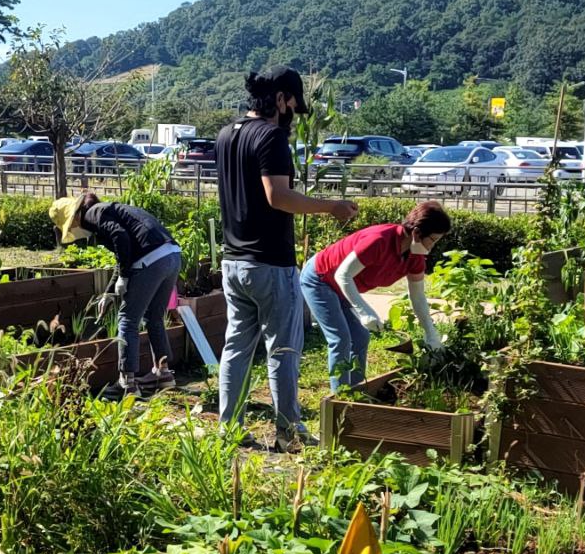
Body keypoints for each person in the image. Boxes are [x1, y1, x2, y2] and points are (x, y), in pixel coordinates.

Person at [215, 65, 358, 450]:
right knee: (283, 349)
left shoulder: (227, 134)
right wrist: (332, 207)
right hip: (270, 263)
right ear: (280, 99)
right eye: (293, 104)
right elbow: (277, 196)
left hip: (233, 261)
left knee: (236, 348)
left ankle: (230, 430)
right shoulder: (271, 137)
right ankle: (287, 432)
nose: (294, 114)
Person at [301, 201, 451, 393]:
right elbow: (342, 275)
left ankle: (356, 393)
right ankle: (339, 400)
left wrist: (431, 334)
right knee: (341, 339)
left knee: (360, 337)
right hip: (321, 278)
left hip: (344, 286)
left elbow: (418, 297)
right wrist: (365, 311)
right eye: (434, 240)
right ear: (416, 233)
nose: (434, 246)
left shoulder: (415, 257)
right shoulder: (379, 240)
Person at [49, 192, 182, 400]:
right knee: (154, 316)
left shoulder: (92, 214)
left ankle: (127, 383)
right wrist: (109, 293)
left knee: (127, 319)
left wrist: (124, 277)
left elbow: (120, 237)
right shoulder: (108, 211)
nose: (73, 230)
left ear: (74, 217)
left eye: (70, 226)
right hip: (171, 255)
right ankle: (162, 373)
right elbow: (123, 256)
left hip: (150, 259)